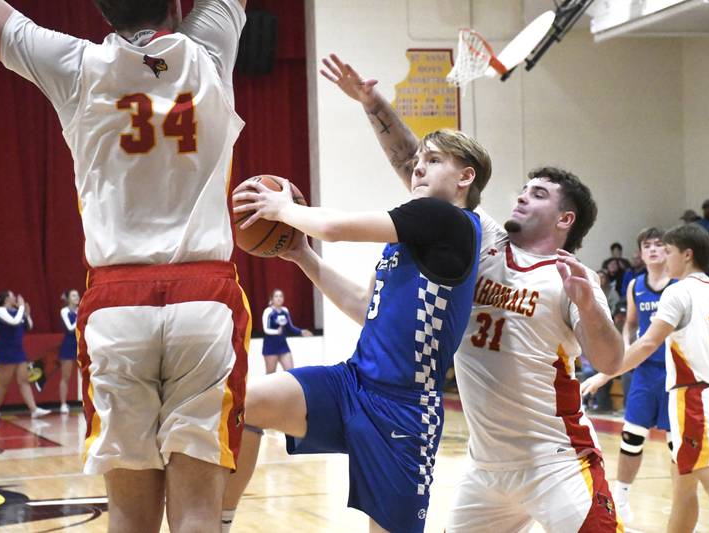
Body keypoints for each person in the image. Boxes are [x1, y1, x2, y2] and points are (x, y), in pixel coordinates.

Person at [318, 54, 624, 532]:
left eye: (539, 194)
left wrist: (590, 307)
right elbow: (414, 165)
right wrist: (372, 104)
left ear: (566, 220)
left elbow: (609, 361)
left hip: (556, 460)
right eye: (525, 188)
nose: (523, 195)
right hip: (486, 470)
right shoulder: (479, 240)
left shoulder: (572, 277)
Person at [0, 1, 251, 531]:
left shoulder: (75, 65)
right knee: (200, 511)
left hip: (116, 303)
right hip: (205, 300)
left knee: (129, 516)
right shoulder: (210, 51)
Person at [232, 121, 488, 531]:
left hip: (406, 410)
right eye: (418, 160)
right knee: (243, 405)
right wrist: (303, 257)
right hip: (352, 384)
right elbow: (364, 307)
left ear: (466, 176)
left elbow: (334, 228)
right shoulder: (410, 238)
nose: (418, 168)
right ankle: (219, 522)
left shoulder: (447, 220)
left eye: (434, 160)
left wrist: (283, 210)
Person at [582, 223, 709, 532]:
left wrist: (605, 373)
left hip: (693, 399)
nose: (664, 259)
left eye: (668, 252)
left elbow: (648, 343)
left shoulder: (677, 292)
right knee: (683, 490)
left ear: (687, 254)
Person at [581, 227, 674, 525]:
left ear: (669, 250)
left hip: (675, 372)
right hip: (645, 371)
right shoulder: (635, 285)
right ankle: (620, 497)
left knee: (677, 445)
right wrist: (625, 346)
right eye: (648, 245)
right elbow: (631, 324)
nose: (654, 250)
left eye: (660, 245)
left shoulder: (679, 284)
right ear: (641, 252)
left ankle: (683, 503)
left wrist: (608, 371)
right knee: (631, 438)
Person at [0, 291, 50, 421]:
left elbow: (28, 326)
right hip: (6, 350)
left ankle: (34, 410)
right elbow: (14, 322)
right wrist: (22, 307)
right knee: (3, 383)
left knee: (24, 380)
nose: (15, 298)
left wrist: (27, 314)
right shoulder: (0, 311)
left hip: (18, 350)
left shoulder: (17, 311)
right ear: (6, 299)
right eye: (12, 296)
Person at [261, 288, 312, 374]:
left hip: (283, 346)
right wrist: (277, 332)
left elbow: (290, 327)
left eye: (281, 296)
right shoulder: (268, 311)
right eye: (276, 296)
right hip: (270, 346)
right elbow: (266, 329)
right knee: (270, 375)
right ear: (272, 299)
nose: (279, 298)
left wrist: (301, 332)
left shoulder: (285, 310)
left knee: (291, 372)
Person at [57, 289, 80, 414]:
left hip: (80, 344)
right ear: (68, 298)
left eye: (77, 295)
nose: (77, 297)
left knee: (85, 375)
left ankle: (89, 402)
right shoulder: (64, 311)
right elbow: (70, 328)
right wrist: (80, 315)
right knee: (65, 376)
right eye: (73, 295)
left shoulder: (80, 310)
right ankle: (63, 404)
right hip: (69, 344)